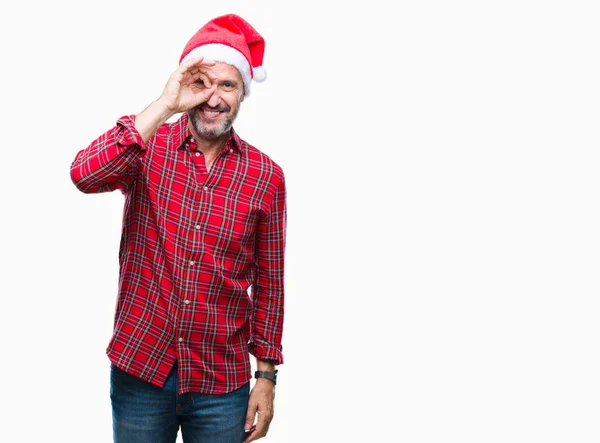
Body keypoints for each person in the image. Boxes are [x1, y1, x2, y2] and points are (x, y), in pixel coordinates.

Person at [70, 14, 286, 443]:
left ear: (243, 93)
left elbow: (270, 284)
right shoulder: (147, 147)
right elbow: (84, 175)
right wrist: (165, 104)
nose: (214, 97)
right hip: (141, 369)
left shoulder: (267, 176)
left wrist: (266, 376)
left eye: (228, 85)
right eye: (203, 82)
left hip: (220, 381)